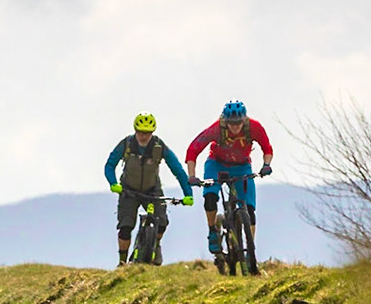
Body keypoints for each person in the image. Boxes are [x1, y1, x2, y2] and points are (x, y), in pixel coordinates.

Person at [185, 101, 274, 265]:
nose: (235, 127)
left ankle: (250, 250)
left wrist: (266, 165)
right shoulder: (216, 129)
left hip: (242, 167)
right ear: (225, 121)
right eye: (232, 123)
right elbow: (193, 149)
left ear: (244, 120)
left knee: (250, 209)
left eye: (238, 123)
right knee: (210, 197)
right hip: (216, 164)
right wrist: (192, 175)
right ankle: (212, 230)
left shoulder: (254, 128)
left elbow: (267, 148)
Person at [104, 112, 193, 266]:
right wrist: (113, 184)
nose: (143, 136)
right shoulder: (126, 145)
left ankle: (155, 244)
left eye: (147, 133)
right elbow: (109, 165)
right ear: (135, 130)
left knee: (162, 222)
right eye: (140, 132)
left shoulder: (159, 146)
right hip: (128, 191)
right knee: (125, 226)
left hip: (152, 190)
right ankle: (122, 262)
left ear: (152, 132)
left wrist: (188, 194)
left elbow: (177, 170)